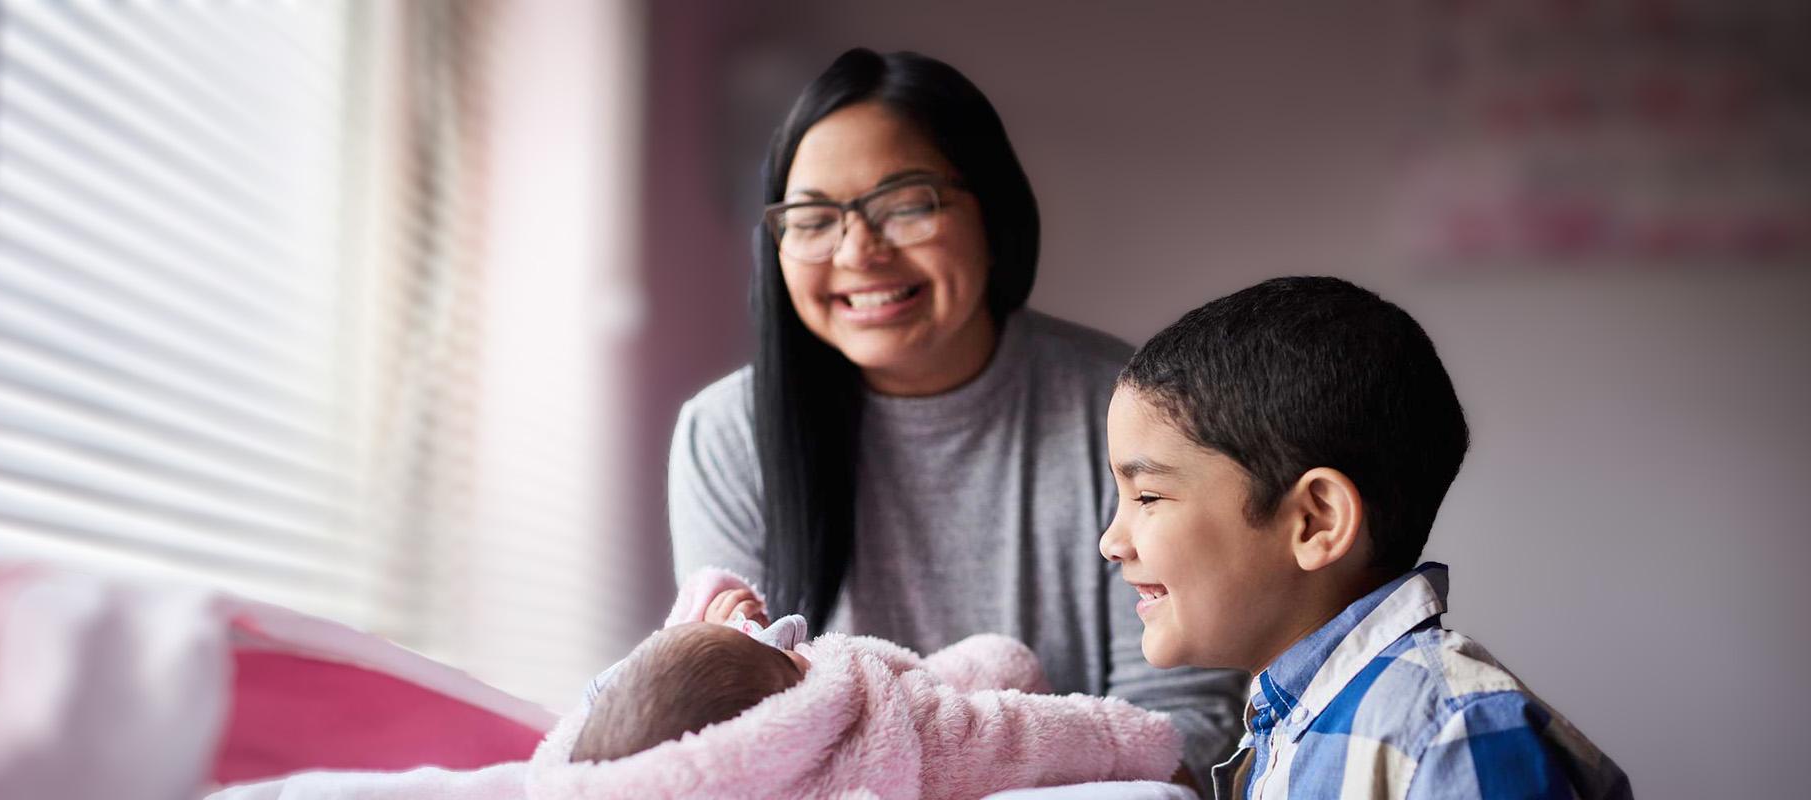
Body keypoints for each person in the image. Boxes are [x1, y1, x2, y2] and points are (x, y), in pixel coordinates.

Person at [665, 47, 1242, 783]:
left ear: (993, 211)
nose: (859, 251)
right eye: (813, 218)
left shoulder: (1125, 410)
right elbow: (734, 725)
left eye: (906, 205)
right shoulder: (727, 435)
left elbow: (1182, 724)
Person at [1098, 277, 1633, 799]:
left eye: (1147, 496)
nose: (1111, 542)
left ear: (1316, 521)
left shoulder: (1449, 735)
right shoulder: (1287, 726)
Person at [548, 570, 1183, 800]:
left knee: (985, 665)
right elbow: (1017, 735)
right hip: (923, 709)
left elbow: (667, 683)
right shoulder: (879, 741)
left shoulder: (630, 773)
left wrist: (716, 627)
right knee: (1000, 670)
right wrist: (1136, 740)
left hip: (926, 679)